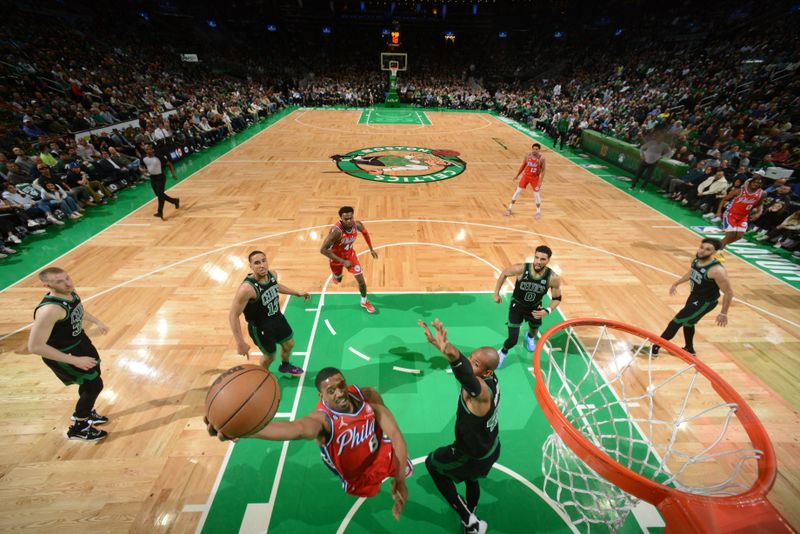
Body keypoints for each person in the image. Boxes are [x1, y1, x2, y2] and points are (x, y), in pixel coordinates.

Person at [205, 367, 411, 518]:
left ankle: (395, 473)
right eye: (331, 391)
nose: (339, 392)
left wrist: (400, 479)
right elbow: (295, 429)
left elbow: (394, 434)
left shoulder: (366, 396)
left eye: (341, 386)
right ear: (321, 396)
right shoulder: (322, 421)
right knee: (372, 504)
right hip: (358, 478)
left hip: (381, 457)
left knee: (399, 465)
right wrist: (247, 429)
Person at [419, 319, 500, 534]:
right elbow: (464, 364)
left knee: (432, 464)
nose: (469, 363)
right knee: (472, 479)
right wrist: (441, 346)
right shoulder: (492, 379)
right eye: (471, 359)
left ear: (487, 373)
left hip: (469, 454)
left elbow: (463, 370)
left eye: (476, 363)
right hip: (490, 448)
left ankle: (471, 522)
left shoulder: (480, 393)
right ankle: (470, 512)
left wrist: (451, 354)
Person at [27, 267, 110, 441]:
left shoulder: (70, 293)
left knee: (93, 380)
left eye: (67, 278)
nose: (67, 283)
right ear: (47, 285)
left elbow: (77, 310)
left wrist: (97, 321)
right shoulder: (49, 310)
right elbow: (35, 347)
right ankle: (79, 427)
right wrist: (74, 360)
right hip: (64, 354)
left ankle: (85, 411)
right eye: (59, 281)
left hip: (80, 343)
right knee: (94, 385)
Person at [228, 251, 307, 377]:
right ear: (251, 266)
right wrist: (240, 343)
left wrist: (295, 293)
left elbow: (275, 286)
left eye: (264, 261)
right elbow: (233, 315)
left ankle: (285, 366)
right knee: (270, 356)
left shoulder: (272, 275)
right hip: (261, 328)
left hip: (277, 318)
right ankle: (263, 377)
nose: (262, 265)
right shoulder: (247, 289)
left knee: (289, 344)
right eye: (257, 263)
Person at [652, 238, 733, 357]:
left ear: (715, 252)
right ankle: (689, 349)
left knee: (676, 321)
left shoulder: (717, 271)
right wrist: (677, 283)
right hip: (694, 297)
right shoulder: (696, 260)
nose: (702, 251)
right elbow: (692, 272)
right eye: (701, 247)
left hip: (705, 302)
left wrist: (723, 313)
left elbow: (729, 292)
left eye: (707, 249)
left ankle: (655, 347)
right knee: (689, 323)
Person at [493, 245, 562, 367]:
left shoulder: (553, 278)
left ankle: (529, 337)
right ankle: (502, 353)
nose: (538, 262)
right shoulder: (521, 268)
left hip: (535, 308)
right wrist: (496, 293)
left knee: (534, 332)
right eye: (536, 257)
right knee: (512, 340)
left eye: (542, 259)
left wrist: (548, 310)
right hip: (517, 306)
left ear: (548, 260)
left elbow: (557, 298)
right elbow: (504, 273)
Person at [320, 206, 378, 313]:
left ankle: (364, 301)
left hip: (350, 255)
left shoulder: (357, 225)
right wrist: (342, 261)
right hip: (336, 258)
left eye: (351, 218)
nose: (349, 221)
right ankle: (336, 276)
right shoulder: (336, 232)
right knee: (338, 280)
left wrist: (371, 249)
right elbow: (323, 250)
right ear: (341, 219)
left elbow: (365, 233)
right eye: (346, 219)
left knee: (361, 280)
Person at [718, 173, 765, 254]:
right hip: (731, 214)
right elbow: (724, 199)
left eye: (758, 183)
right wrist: (718, 211)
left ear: (761, 185)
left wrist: (758, 213)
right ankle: (719, 252)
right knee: (731, 234)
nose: (756, 184)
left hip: (743, 216)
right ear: (750, 182)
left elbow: (760, 204)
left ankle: (719, 245)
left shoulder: (762, 193)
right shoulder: (739, 190)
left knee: (738, 236)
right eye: (754, 182)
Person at [504, 142, 546, 219]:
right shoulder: (527, 156)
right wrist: (517, 175)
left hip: (535, 178)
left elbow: (543, 170)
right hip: (526, 176)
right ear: (532, 149)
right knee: (518, 191)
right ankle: (509, 208)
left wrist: (540, 182)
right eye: (533, 149)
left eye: (536, 149)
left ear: (539, 150)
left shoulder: (542, 158)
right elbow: (523, 166)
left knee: (536, 194)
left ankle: (538, 211)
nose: (534, 150)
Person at [141, 145, 180, 220]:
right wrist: (142, 170)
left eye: (149, 149)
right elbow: (141, 166)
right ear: (145, 150)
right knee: (159, 194)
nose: (148, 151)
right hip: (152, 178)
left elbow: (169, 164)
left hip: (160, 177)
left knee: (160, 196)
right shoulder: (143, 158)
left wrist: (173, 174)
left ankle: (160, 212)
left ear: (152, 149)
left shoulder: (159, 157)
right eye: (146, 149)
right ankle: (175, 201)